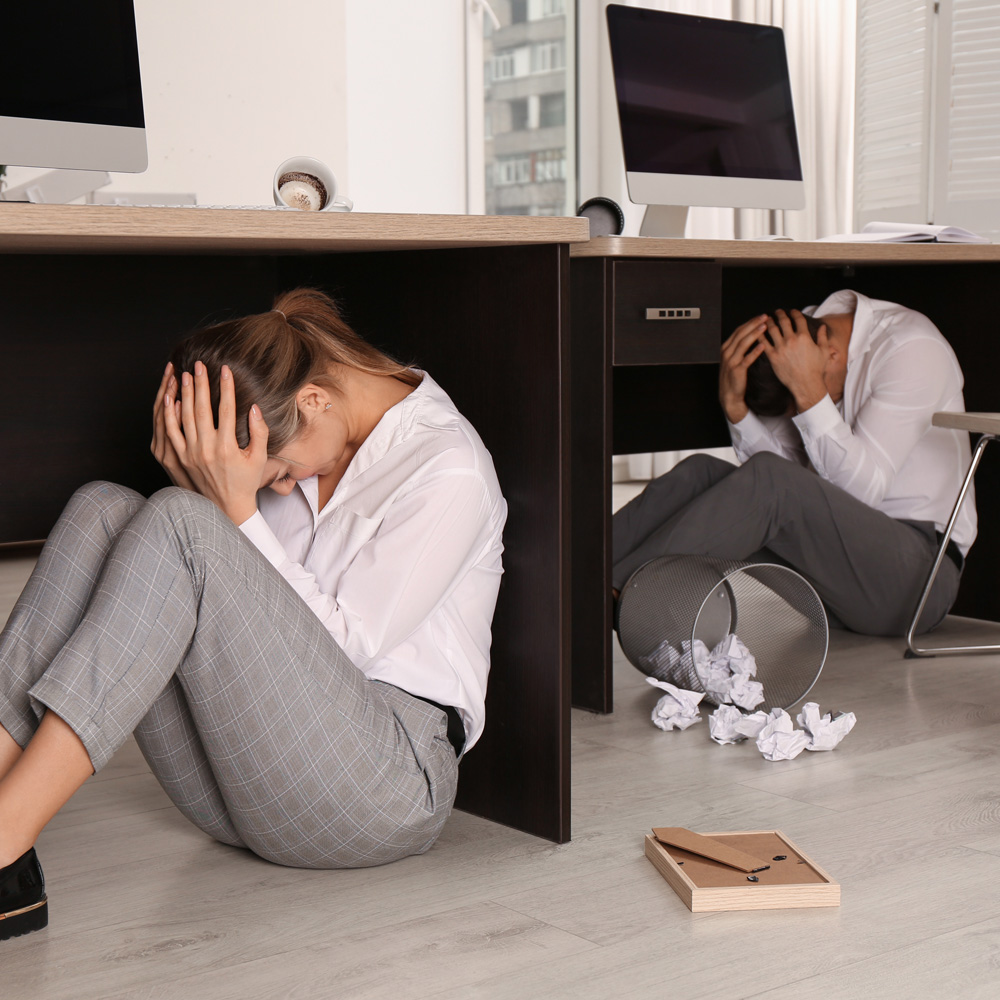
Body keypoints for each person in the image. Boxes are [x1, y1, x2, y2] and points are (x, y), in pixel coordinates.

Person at [0, 288, 507, 941]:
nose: (281, 486)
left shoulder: (448, 466)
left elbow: (348, 651)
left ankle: (5, 839)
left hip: (384, 785)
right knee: (105, 508)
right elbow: (228, 614)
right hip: (248, 784)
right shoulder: (296, 434)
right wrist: (203, 490)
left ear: (315, 399)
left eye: (280, 469)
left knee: (182, 522)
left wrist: (230, 511)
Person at [613, 289, 976, 637]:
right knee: (701, 473)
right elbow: (791, 490)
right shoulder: (793, 348)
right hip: (835, 588)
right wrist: (736, 410)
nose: (816, 405)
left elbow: (854, 493)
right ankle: (572, 579)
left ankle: (618, 603)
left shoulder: (911, 347)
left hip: (920, 580)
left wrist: (809, 389)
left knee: (772, 481)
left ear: (831, 355)